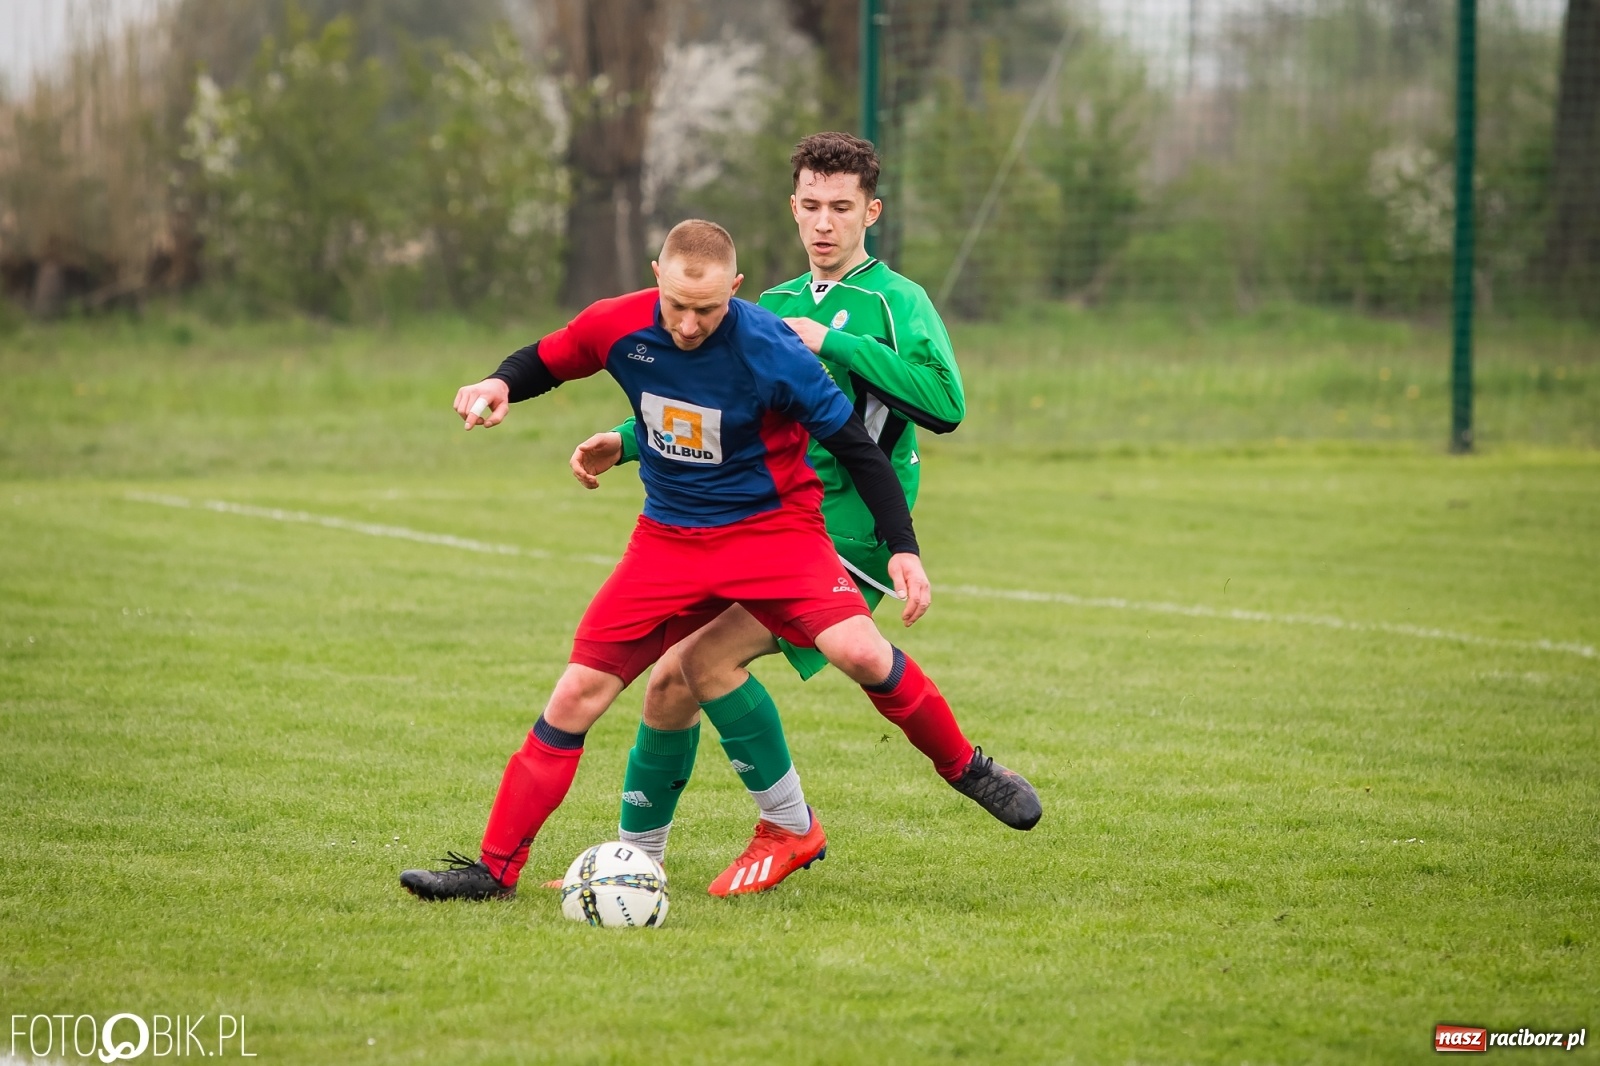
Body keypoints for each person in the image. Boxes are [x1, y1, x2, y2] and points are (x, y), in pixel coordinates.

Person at [401, 219, 957, 901]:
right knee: (579, 693)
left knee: (861, 653)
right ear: (656, 273)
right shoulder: (617, 324)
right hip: (666, 543)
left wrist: (904, 547)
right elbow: (547, 359)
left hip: (772, 538)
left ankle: (965, 769)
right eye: (677, 306)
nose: (690, 325)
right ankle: (493, 872)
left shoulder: (769, 346)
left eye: (708, 309)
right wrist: (498, 385)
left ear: (737, 289)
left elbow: (854, 446)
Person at [565, 133, 1040, 900]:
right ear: (793, 208)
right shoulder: (769, 306)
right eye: (812, 207)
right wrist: (624, 442)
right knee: (667, 685)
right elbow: (717, 414)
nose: (824, 223)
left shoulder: (897, 301)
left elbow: (945, 406)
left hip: (844, 531)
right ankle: (635, 862)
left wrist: (836, 343)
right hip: (755, 521)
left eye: (842, 209)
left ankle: (824, 814)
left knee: (703, 663)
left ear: (871, 213)